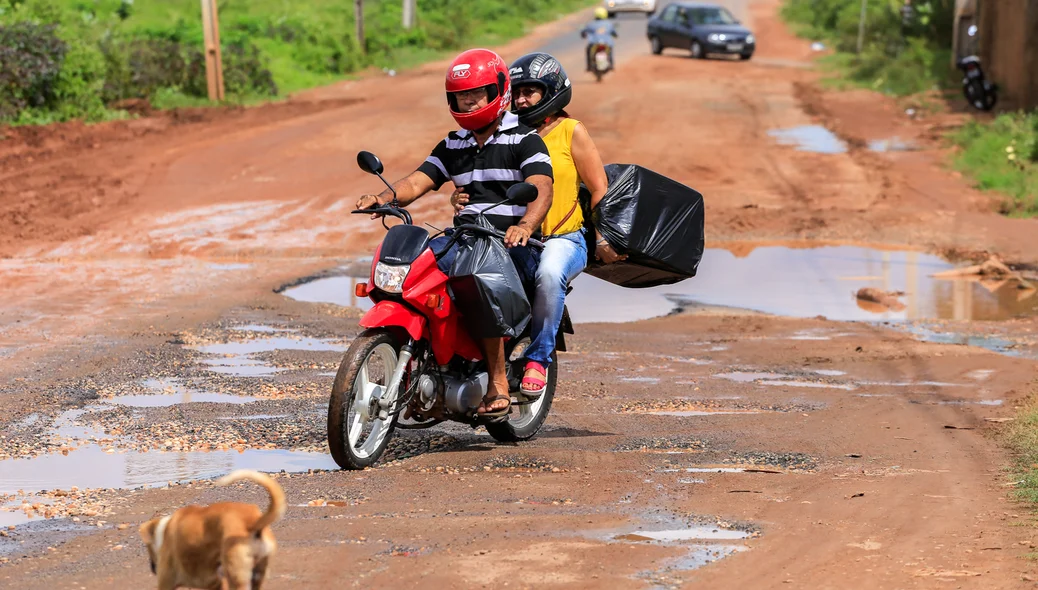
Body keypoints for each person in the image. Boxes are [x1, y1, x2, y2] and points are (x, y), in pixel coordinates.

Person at [356, 48, 554, 419]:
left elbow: (541, 185)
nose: (468, 101)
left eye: (476, 93)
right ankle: (425, 365)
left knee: (480, 282)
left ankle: (496, 379)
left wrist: (524, 225)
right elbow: (419, 179)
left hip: (508, 243)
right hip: (465, 238)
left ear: (498, 91)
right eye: (461, 95)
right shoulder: (453, 145)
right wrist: (382, 197)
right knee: (414, 274)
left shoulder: (525, 139)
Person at [452, 52, 623, 398]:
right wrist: (457, 197)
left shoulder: (571, 131)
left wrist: (603, 236)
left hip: (563, 237)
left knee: (548, 274)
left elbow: (599, 186)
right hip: (515, 237)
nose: (521, 99)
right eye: (517, 92)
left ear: (553, 91)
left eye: (531, 91)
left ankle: (538, 359)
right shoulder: (508, 133)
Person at [581, 7, 617, 72]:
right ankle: (611, 64)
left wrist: (583, 35)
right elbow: (614, 32)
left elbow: (584, 31)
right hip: (607, 43)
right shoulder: (608, 24)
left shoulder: (591, 24)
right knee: (610, 51)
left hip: (594, 43)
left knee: (588, 51)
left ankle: (589, 66)